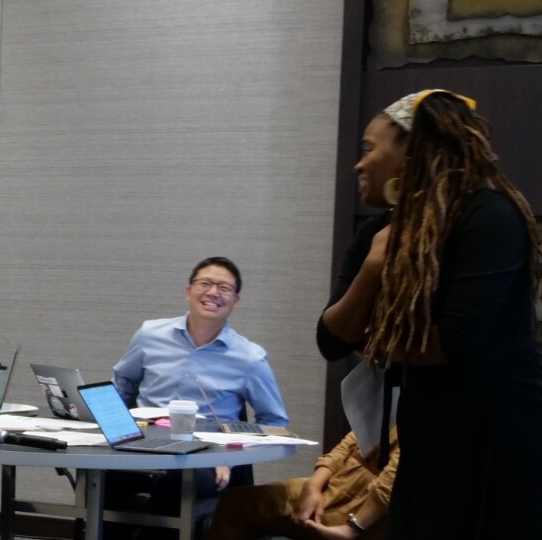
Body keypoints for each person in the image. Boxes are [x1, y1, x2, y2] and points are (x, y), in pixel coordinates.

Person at [317, 89, 542, 538]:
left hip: (496, 429)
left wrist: (375, 339)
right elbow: (332, 339)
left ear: (413, 148)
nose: (359, 164)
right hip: (430, 423)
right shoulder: (377, 234)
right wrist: (374, 267)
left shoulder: (489, 214)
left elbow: (455, 341)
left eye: (369, 148)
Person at [104, 257, 288, 538]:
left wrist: (229, 454)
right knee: (100, 477)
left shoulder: (249, 357)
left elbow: (274, 423)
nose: (213, 292)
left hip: (204, 458)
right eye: (205, 284)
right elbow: (123, 385)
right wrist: (106, 422)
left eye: (224, 288)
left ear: (236, 300)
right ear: (188, 291)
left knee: (176, 483)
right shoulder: (150, 334)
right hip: (142, 446)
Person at [208, 428, 398, 540]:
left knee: (235, 508)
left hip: (367, 506)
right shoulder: (388, 384)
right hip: (338, 480)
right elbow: (351, 442)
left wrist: (353, 528)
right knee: (236, 503)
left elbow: (393, 479)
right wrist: (313, 485)